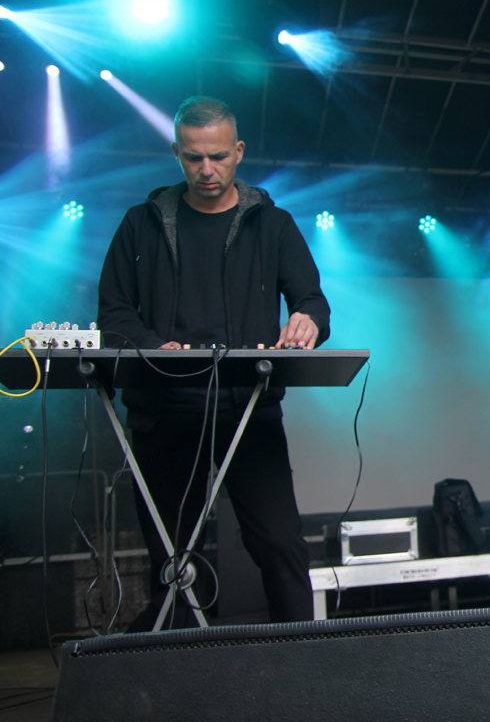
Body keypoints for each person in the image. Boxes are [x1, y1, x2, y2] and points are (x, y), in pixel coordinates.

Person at [98, 96, 330, 626]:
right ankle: (179, 665)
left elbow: (312, 301)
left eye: (219, 156)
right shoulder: (140, 224)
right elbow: (113, 314)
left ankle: (304, 657)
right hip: (164, 413)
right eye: (194, 157)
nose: (207, 169)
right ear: (176, 153)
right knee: (171, 559)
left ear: (239, 151)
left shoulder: (273, 225)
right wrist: (152, 345)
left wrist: (308, 321)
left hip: (249, 411)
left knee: (280, 542)